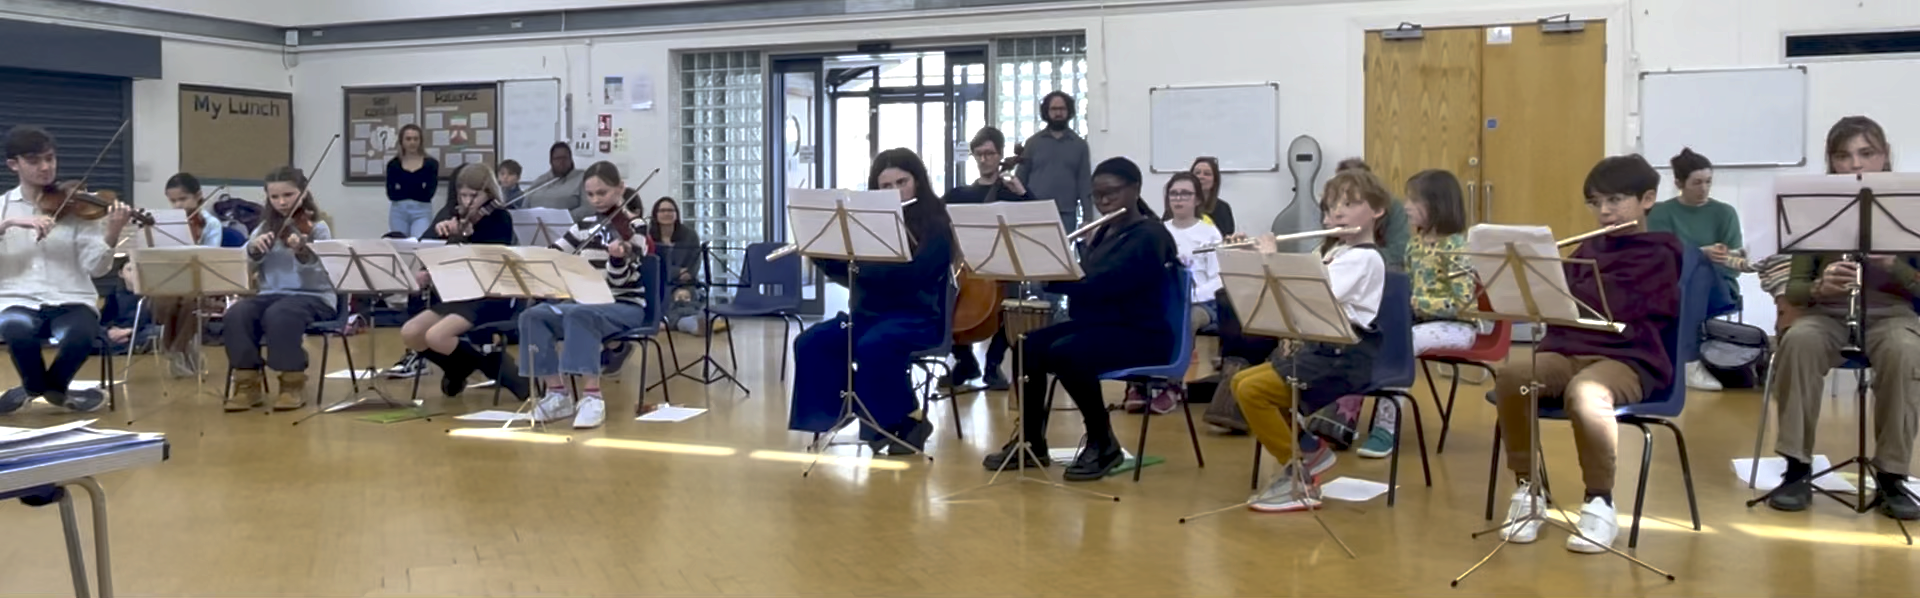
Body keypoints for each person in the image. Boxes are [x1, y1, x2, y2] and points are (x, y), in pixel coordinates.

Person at [1492, 154, 1682, 552]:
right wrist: (1537, 279)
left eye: (1615, 200)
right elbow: (1561, 303)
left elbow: (1625, 306)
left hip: (1628, 360)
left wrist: (1567, 289)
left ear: (1647, 199)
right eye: (1595, 203)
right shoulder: (1587, 248)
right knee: (1513, 376)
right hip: (1568, 352)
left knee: (1587, 393)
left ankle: (1600, 501)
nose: (1604, 211)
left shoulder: (1661, 253)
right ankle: (1529, 491)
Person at [981, 156, 1178, 480]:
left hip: (1142, 333)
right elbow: (1089, 282)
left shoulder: (1150, 235)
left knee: (1068, 353)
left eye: (1111, 193)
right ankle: (1031, 441)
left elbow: (1108, 284)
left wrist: (1056, 277)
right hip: (1101, 326)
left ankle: (1103, 442)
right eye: (1097, 195)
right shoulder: (1106, 231)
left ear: (1135, 189)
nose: (1103, 201)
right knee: (1027, 345)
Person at [1767, 115, 1920, 521]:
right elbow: (1795, 288)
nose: (1855, 164)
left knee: (1905, 350)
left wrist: (1894, 265)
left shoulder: (1911, 205)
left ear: (1885, 155)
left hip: (1893, 315)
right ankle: (1797, 469)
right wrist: (1821, 286)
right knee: (1799, 341)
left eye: (1866, 153)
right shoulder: (1817, 208)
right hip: (1830, 314)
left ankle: (1892, 476)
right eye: (1843, 156)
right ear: (1831, 161)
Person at [1230, 169, 1390, 512]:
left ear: (1377, 210)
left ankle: (1298, 470)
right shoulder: (1339, 252)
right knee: (1241, 382)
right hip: (1321, 352)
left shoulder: (1365, 258)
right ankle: (1309, 449)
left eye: (1350, 204)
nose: (1338, 213)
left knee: (1253, 390)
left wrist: (1270, 258)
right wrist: (1247, 256)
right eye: (1332, 207)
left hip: (1344, 357)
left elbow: (1311, 295)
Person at [789, 148, 955, 454]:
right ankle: (855, 409)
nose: (895, 192)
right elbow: (852, 276)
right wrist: (819, 253)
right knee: (812, 342)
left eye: (902, 182)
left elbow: (914, 277)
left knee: (874, 345)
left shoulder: (937, 225)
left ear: (918, 181)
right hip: (866, 318)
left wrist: (861, 268)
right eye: (885, 186)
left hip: (917, 318)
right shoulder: (865, 223)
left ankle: (895, 420)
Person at [503, 161, 652, 429]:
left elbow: (621, 281)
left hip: (624, 304)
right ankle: (557, 394)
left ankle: (592, 398)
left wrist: (617, 259)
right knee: (532, 316)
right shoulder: (584, 225)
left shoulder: (635, 226)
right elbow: (555, 253)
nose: (596, 200)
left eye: (602, 193)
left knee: (580, 314)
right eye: (590, 194)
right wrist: (527, 265)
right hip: (583, 302)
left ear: (620, 189)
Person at [0, 126, 133, 415]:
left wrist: (111, 233)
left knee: (82, 333)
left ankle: (45, 388)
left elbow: (95, 268)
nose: (45, 167)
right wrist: (9, 224)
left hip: (72, 298)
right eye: (34, 161)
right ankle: (50, 390)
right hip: (16, 299)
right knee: (16, 329)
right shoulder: (3, 208)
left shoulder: (78, 208)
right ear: (14, 164)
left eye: (50, 158)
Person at [1357, 169, 1473, 459]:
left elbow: (1462, 303)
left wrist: (1415, 302)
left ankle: (1386, 427)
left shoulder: (1457, 247)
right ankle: (1343, 417)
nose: (1406, 206)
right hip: (1420, 321)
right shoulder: (1415, 244)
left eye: (1414, 201)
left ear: (1437, 205)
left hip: (1459, 327)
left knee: (1404, 341)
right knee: (1368, 332)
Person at [402, 164, 529, 400]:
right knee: (411, 333)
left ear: (488, 193)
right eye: (463, 195)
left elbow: (490, 262)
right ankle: (460, 366)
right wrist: (441, 237)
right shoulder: (453, 214)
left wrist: (468, 236)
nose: (468, 202)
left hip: (489, 296)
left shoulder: (500, 218)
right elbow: (430, 252)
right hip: (458, 294)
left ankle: (491, 366)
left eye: (474, 196)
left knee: (437, 337)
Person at [223, 166, 338, 412]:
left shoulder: (317, 227)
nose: (282, 202)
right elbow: (243, 267)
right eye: (274, 197)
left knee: (281, 314)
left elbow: (325, 273)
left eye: (288, 195)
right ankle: (246, 382)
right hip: (270, 294)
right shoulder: (264, 227)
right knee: (237, 313)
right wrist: (253, 250)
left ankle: (292, 383)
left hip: (313, 296)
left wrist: (303, 252)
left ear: (303, 193)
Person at [943, 126, 1033, 390]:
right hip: (966, 265)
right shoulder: (959, 195)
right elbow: (937, 221)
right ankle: (965, 361)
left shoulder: (1011, 193)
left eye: (990, 153)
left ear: (1000, 155)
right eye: (979, 154)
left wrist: (1023, 193)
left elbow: (1036, 216)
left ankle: (993, 365)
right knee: (946, 303)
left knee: (1012, 307)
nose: (984, 159)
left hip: (1003, 266)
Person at [1647, 147, 1744, 392]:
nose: (1704, 188)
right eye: (1697, 183)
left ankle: (1688, 362)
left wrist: (1723, 257)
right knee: (1695, 261)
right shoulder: (1660, 213)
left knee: (1701, 269)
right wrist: (1699, 253)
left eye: (1708, 181)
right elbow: (1658, 260)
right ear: (1679, 183)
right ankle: (1685, 361)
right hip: (1672, 287)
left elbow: (1736, 267)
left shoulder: (1724, 213)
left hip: (1718, 290)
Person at [1126, 171, 1223, 416]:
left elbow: (1218, 278)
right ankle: (1138, 384)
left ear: (1197, 199)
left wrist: (1192, 296)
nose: (1179, 199)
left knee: (1185, 321)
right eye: (1174, 194)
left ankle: (1172, 387)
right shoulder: (1159, 231)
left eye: (1185, 194)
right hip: (1165, 298)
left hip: (1201, 303)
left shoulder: (1209, 233)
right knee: (1137, 317)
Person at [148, 172, 232, 378]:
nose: (178, 205)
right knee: (165, 301)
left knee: (191, 302)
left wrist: (193, 246)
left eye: (183, 199)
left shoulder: (210, 224)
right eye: (173, 201)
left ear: (198, 196)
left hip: (199, 281)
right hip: (170, 280)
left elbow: (209, 256)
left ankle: (174, 349)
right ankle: (182, 349)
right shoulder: (165, 223)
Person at [1016, 91, 1093, 230]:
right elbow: (1020, 179)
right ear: (1046, 112)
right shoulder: (1033, 143)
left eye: (1062, 109)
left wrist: (1088, 218)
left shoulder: (1079, 145)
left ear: (1069, 111)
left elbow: (1084, 183)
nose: (1058, 113)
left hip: (1066, 213)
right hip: (1035, 210)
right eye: (1054, 109)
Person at [647, 196, 713, 335]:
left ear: (676, 214)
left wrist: (684, 276)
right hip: (659, 285)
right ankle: (693, 324)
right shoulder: (648, 237)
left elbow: (694, 264)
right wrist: (677, 272)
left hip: (686, 283)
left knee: (686, 297)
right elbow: (653, 268)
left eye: (671, 210)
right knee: (673, 301)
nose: (667, 213)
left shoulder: (690, 235)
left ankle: (692, 322)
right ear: (655, 215)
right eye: (662, 211)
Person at [385, 124, 440, 238]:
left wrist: (405, 192)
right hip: (399, 211)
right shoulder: (393, 165)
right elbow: (391, 193)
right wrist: (416, 192)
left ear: (421, 141)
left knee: (418, 241)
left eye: (416, 139)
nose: (412, 142)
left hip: (421, 210)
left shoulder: (431, 164)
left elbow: (429, 192)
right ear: (401, 141)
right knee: (399, 242)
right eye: (408, 139)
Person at [98, 260, 157, 355]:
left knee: (157, 332)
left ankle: (122, 347)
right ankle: (130, 347)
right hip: (119, 330)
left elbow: (150, 319)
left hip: (140, 330)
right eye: (129, 270)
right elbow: (106, 318)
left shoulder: (152, 294)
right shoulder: (114, 294)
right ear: (121, 273)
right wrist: (111, 330)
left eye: (137, 270)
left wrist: (129, 331)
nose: (134, 274)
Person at [523, 142, 590, 220]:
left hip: (567, 224)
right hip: (535, 224)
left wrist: (563, 218)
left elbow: (588, 208)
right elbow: (524, 208)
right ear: (551, 161)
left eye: (565, 158)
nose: (561, 162)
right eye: (557, 158)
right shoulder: (540, 180)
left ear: (571, 159)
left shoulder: (582, 178)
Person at [1190, 156, 1236, 235]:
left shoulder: (1223, 208)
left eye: (1207, 174)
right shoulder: (1179, 205)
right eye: (1197, 173)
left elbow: (1227, 236)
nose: (1201, 177)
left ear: (1215, 180)